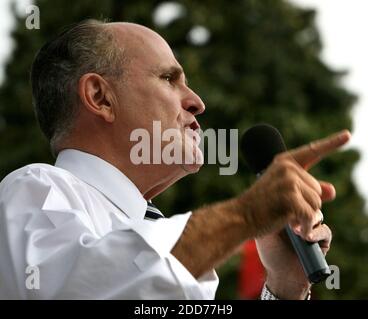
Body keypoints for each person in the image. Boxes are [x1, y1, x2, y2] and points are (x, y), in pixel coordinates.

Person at [0, 19, 350, 299]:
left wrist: (283, 288)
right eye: (169, 79)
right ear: (100, 97)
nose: (197, 101)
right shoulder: (34, 189)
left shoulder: (166, 237)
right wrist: (246, 214)